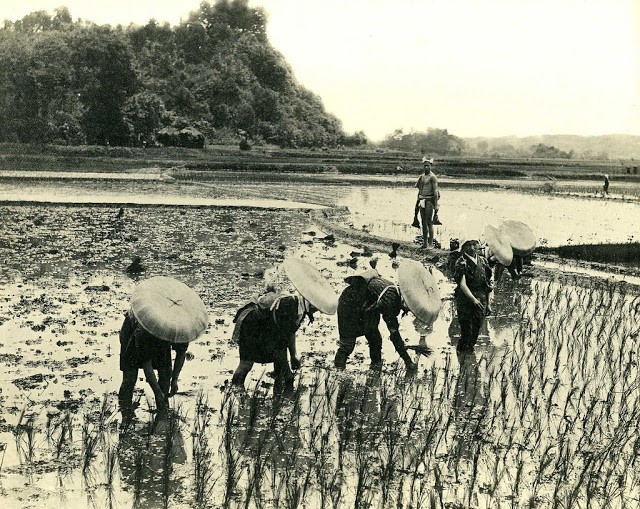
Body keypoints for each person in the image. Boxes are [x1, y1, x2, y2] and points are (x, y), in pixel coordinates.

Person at [231, 287, 316, 390]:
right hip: (251, 323)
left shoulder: (300, 308)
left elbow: (290, 333)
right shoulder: (289, 308)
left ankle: (278, 392)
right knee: (246, 363)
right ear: (310, 303)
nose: (316, 311)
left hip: (266, 324)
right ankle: (235, 390)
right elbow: (280, 347)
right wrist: (288, 374)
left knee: (280, 364)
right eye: (316, 308)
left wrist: (293, 355)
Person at [334, 269, 417, 371]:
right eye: (407, 307)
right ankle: (338, 372)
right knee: (347, 343)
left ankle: (375, 368)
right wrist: (408, 361)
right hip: (349, 303)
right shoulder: (390, 298)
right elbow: (394, 334)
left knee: (375, 339)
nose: (406, 310)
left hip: (366, 306)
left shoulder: (394, 290)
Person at [118, 310, 188, 418]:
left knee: (165, 374)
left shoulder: (182, 327)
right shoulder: (146, 328)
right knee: (129, 379)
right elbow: (147, 364)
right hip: (133, 329)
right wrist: (157, 393)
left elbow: (181, 353)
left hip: (160, 335)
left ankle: (162, 410)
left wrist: (174, 380)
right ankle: (125, 411)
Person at [453, 240, 493, 351]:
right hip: (466, 300)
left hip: (481, 300)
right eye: (468, 245)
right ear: (463, 247)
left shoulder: (483, 261)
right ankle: (463, 359)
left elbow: (487, 284)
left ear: (479, 246)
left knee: (476, 331)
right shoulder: (461, 262)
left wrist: (488, 304)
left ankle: (468, 354)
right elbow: (462, 284)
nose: (472, 248)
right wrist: (473, 300)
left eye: (474, 244)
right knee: (466, 332)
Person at [414, 157, 440, 248]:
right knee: (423, 221)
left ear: (430, 166)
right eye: (425, 166)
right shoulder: (421, 177)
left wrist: (436, 205)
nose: (426, 168)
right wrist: (417, 201)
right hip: (422, 200)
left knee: (429, 222)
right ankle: (425, 243)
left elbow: (436, 192)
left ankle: (431, 243)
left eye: (428, 166)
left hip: (429, 200)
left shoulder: (433, 177)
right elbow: (419, 189)